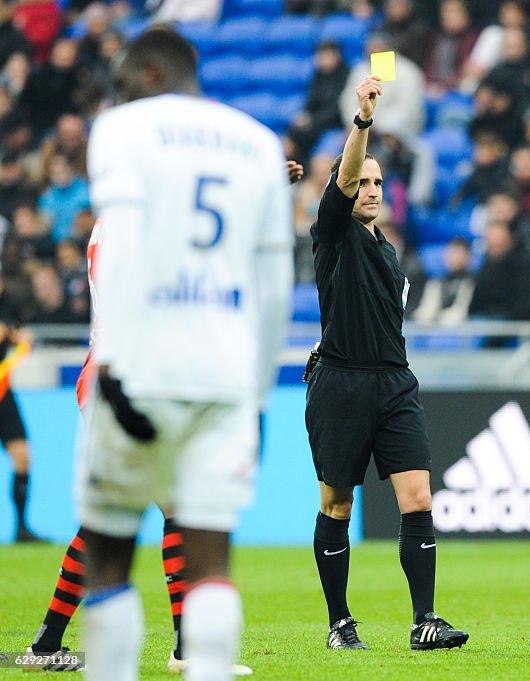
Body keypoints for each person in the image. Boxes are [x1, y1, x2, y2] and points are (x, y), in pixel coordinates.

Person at [76, 27, 293, 681]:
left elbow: (119, 247)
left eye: (120, 87)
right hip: (225, 377)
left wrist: (111, 364)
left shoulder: (123, 133)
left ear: (148, 72)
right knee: (211, 557)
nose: (117, 101)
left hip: (141, 367)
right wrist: (256, 399)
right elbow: (275, 286)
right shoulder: (258, 143)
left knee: (110, 548)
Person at [29, 161, 304, 673]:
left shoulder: (117, 225)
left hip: (109, 376)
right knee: (155, 513)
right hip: (127, 381)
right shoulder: (136, 231)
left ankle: (56, 642)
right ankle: (174, 648)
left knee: (139, 514)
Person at [304, 74, 469, 652]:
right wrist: (364, 120)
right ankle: (339, 624)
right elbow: (345, 175)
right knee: (338, 503)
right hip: (341, 382)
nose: (369, 189)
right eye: (362, 182)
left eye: (377, 182)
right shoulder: (333, 234)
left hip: (395, 384)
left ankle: (425, 620)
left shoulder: (388, 251)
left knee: (418, 497)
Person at [0, 321, 40, 543]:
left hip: (3, 394)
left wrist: (18, 335)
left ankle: (22, 527)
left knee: (22, 458)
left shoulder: (9, 306)